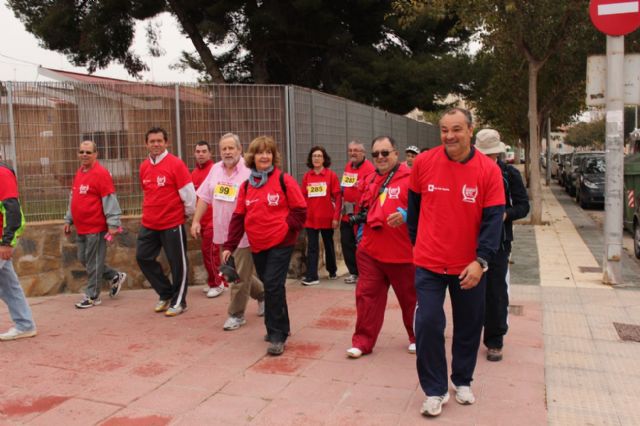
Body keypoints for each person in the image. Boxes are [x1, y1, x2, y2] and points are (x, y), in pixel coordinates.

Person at [408, 108, 505, 417]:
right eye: (444, 129)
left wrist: (481, 261)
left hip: (469, 266)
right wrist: (421, 244)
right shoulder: (423, 163)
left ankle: (462, 380)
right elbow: (414, 210)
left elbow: (493, 223)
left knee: (468, 325)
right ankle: (434, 390)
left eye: (457, 129)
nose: (449, 135)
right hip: (429, 263)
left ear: (471, 130)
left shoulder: (488, 170)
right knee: (428, 323)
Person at [223, 136, 306, 356]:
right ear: (252, 157)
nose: (265, 156)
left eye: (269, 152)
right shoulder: (247, 186)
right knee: (274, 286)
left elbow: (300, 210)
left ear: (273, 156)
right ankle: (283, 326)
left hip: (281, 243)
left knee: (271, 284)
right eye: (260, 152)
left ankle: (276, 334)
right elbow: (239, 217)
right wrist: (229, 245)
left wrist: (287, 230)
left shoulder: (284, 180)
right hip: (257, 244)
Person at [345, 136, 416, 358]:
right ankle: (362, 341)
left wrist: (407, 215)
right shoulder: (369, 179)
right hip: (370, 250)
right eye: (376, 154)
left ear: (396, 153)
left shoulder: (412, 178)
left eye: (385, 153)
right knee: (366, 297)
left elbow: (428, 209)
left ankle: (416, 337)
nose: (380, 158)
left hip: (402, 253)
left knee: (410, 299)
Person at [191, 133, 265, 331]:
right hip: (222, 231)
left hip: (244, 233)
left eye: (231, 148)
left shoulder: (250, 171)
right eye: (224, 148)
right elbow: (205, 197)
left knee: (237, 276)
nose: (227, 152)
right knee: (238, 273)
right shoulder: (215, 170)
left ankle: (236, 315)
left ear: (240, 150)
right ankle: (263, 294)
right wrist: (196, 220)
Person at [475, 129, 529, 362]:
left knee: (496, 292)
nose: (488, 159)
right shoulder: (468, 172)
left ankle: (495, 340)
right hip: (470, 240)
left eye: (491, 155)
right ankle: (468, 336)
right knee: (469, 291)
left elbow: (523, 206)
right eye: (484, 155)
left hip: (499, 242)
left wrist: (505, 215)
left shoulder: (509, 174)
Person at [136, 127, 196, 317]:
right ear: (146, 144)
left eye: (159, 141)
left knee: (178, 263)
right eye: (152, 141)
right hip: (149, 223)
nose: (156, 144)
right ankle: (165, 293)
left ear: (166, 142)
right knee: (142, 257)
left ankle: (180, 301)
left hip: (172, 223)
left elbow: (189, 194)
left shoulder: (176, 164)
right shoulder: (144, 166)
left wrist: (186, 215)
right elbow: (146, 192)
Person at [63, 140, 127, 308]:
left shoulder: (101, 173)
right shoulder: (80, 172)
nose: (84, 155)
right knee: (83, 259)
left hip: (96, 228)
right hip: (82, 228)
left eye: (88, 152)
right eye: (81, 152)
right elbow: (73, 197)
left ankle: (93, 296)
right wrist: (68, 219)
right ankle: (114, 276)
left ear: (96, 154)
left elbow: (109, 199)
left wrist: (113, 223)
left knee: (93, 262)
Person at [0, 160, 37, 341]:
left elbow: (12, 210)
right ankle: (25, 324)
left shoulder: (2, 174)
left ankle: (24, 324)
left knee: (9, 287)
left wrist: (6, 242)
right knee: (9, 287)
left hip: (0, 240)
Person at [300, 146, 341, 285]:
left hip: (327, 217)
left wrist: (336, 217)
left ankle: (332, 270)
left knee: (329, 244)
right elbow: (303, 197)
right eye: (314, 156)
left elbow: (338, 197)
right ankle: (312, 275)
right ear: (311, 159)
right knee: (312, 246)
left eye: (319, 156)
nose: (316, 158)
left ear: (324, 159)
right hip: (311, 218)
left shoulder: (331, 175)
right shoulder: (307, 176)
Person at [190, 141, 224, 298]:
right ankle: (215, 280)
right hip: (201, 221)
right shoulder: (194, 173)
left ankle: (217, 283)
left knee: (209, 252)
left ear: (210, 153)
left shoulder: (216, 170)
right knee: (210, 253)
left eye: (204, 151)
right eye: (198, 151)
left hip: (214, 220)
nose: (201, 154)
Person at [340, 141, 375, 284]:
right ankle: (353, 272)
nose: (353, 153)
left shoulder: (370, 168)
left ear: (363, 153)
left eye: (356, 150)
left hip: (361, 213)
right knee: (346, 242)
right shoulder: (348, 166)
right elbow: (344, 186)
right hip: (346, 212)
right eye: (350, 150)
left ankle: (365, 272)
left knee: (361, 244)